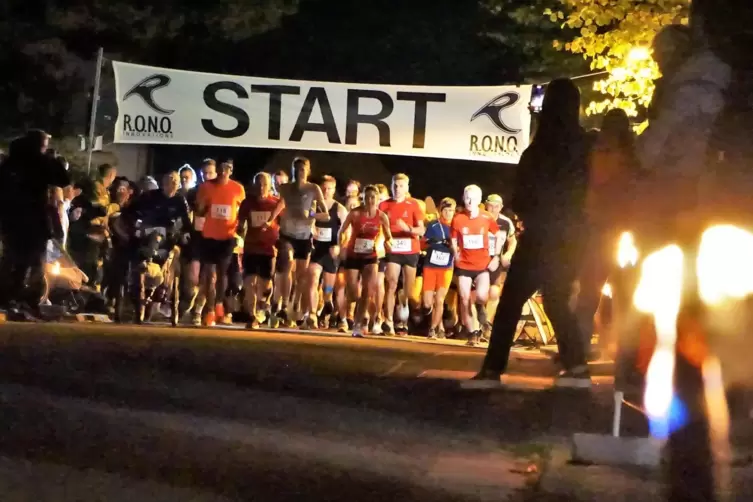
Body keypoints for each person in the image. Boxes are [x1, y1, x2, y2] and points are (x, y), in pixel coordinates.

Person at [465, 78, 592, 389]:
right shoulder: (586, 146)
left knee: (511, 302)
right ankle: (577, 367)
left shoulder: (540, 149)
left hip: (541, 234)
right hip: (574, 235)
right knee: (558, 299)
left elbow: (522, 196)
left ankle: (492, 370)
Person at [576, 109, 638, 360]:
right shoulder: (632, 156)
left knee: (589, 292)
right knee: (625, 294)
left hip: (598, 228)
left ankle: (578, 347)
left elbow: (589, 188)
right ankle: (627, 352)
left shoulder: (595, 152)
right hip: (625, 231)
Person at [0, 129, 70, 311]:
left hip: (11, 219)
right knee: (33, 261)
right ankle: (27, 298)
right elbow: (64, 179)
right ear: (40, 144)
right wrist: (51, 159)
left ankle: (9, 297)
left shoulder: (10, 163)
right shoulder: (41, 162)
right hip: (34, 219)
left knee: (12, 258)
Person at [266, 157, 328, 327]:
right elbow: (281, 204)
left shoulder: (313, 188)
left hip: (304, 235)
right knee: (286, 262)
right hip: (287, 233)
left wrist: (312, 215)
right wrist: (270, 220)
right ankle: (283, 304)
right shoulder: (285, 188)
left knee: (301, 276)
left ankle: (296, 307)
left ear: (308, 170)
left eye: (302, 169)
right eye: (296, 169)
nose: (299, 172)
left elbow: (326, 214)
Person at [450, 185, 503, 346]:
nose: (469, 201)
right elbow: (453, 239)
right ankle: (472, 332)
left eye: (473, 198)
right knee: (465, 299)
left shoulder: (487, 217)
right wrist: (455, 252)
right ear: (463, 198)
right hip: (464, 266)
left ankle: (480, 307)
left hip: (482, 266)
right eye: (467, 197)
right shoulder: (458, 218)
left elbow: (499, 236)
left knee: (481, 296)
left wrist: (496, 257)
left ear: (479, 200)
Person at [195, 160, 245, 326]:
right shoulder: (205, 187)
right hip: (209, 235)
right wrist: (203, 207)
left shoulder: (238, 188)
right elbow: (200, 211)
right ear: (216, 170)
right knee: (210, 274)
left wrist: (241, 232)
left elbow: (242, 212)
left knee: (222, 273)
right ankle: (209, 310)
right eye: (220, 169)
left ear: (231, 170)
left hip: (228, 236)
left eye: (227, 169)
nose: (223, 172)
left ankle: (218, 306)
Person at [339, 185, 392, 337]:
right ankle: (357, 315)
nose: (370, 200)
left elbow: (388, 236)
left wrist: (388, 243)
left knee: (368, 291)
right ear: (363, 198)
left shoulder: (382, 216)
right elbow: (342, 231)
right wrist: (341, 245)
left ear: (377, 199)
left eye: (373, 197)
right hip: (353, 255)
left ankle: (357, 324)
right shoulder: (355, 213)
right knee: (353, 294)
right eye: (367, 197)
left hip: (370, 256)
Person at [379, 174, 425, 334]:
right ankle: (389, 320)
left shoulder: (413, 205)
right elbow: (377, 226)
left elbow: (422, 229)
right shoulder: (383, 205)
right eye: (395, 185)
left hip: (410, 250)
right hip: (393, 250)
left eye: (401, 186)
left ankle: (403, 308)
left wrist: (408, 229)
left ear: (407, 188)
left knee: (408, 290)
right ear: (391, 186)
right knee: (391, 283)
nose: (397, 189)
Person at [303, 175, 348, 329]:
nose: (326, 191)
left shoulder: (339, 209)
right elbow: (307, 220)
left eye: (329, 189)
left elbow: (347, 231)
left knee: (328, 288)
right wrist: (311, 228)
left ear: (334, 190)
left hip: (331, 251)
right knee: (313, 279)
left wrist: (339, 246)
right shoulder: (314, 206)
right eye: (324, 188)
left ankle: (328, 303)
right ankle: (312, 314)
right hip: (317, 250)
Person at [237, 172, 279, 329]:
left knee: (265, 284)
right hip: (251, 247)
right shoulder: (247, 203)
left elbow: (284, 224)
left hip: (269, 250)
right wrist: (240, 230)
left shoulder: (276, 203)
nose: (262, 188)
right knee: (249, 282)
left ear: (269, 186)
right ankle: (253, 316)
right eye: (259, 184)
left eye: (265, 185)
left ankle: (264, 306)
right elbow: (240, 223)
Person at [482, 193, 517, 341]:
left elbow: (512, 241)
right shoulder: (480, 218)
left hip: (496, 262)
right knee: (478, 295)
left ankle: (486, 325)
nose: (494, 209)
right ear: (486, 205)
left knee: (494, 293)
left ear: (501, 207)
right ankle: (476, 326)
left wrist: (508, 254)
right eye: (491, 206)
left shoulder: (506, 222)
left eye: (497, 206)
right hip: (478, 261)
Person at [422, 197, 456, 339]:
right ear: (440, 211)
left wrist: (452, 246)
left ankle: (433, 328)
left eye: (451, 211)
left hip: (446, 268)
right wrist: (429, 242)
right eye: (446, 210)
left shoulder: (456, 227)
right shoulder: (433, 225)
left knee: (440, 300)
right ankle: (432, 318)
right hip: (430, 266)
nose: (448, 213)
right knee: (427, 302)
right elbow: (422, 243)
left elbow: (460, 248)